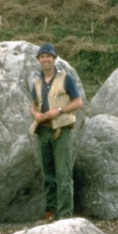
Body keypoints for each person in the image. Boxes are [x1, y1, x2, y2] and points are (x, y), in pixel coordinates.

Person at [29, 42, 83, 223]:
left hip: (61, 131)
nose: (45, 59)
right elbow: (33, 104)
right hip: (43, 131)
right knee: (48, 175)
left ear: (54, 59)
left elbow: (78, 103)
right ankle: (50, 212)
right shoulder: (36, 82)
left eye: (48, 56)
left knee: (64, 174)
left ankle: (65, 215)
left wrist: (59, 111)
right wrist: (35, 113)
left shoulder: (65, 79)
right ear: (39, 60)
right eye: (42, 56)